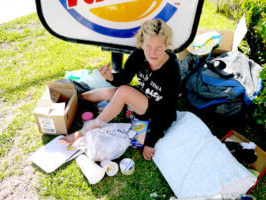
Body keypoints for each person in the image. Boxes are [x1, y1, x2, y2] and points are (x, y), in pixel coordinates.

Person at [60, 19, 181, 161]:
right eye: (148, 46)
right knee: (108, 92)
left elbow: (168, 110)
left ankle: (87, 129)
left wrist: (150, 142)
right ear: (141, 44)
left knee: (123, 92)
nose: (153, 53)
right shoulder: (139, 54)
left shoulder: (172, 69)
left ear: (167, 45)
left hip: (157, 111)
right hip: (143, 97)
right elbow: (124, 78)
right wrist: (110, 77)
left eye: (159, 47)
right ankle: (76, 100)